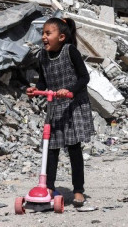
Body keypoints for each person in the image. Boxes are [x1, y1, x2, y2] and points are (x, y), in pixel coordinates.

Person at [26, 17, 94, 207]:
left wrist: (70, 90)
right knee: (51, 148)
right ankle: (48, 187)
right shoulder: (42, 55)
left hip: (73, 106)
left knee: (73, 148)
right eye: (43, 33)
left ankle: (78, 190)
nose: (44, 37)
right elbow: (43, 82)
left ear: (62, 37)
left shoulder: (70, 51)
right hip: (55, 106)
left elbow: (84, 77)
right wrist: (35, 89)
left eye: (49, 33)